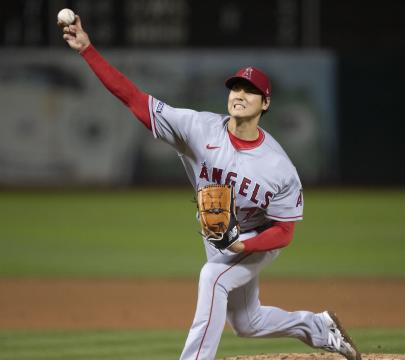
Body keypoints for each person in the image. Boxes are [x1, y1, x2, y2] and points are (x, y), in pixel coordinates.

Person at [59, 15, 361, 360]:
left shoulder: (279, 168)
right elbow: (133, 98)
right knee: (247, 322)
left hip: (256, 236)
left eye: (251, 91)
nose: (241, 94)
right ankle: (319, 328)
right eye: (236, 87)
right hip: (218, 231)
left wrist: (243, 243)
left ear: (266, 104)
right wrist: (88, 50)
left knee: (213, 277)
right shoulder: (198, 128)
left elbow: (284, 231)